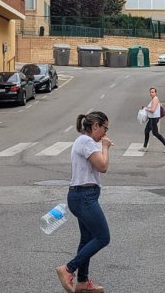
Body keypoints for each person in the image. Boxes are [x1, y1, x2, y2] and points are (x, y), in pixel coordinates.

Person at [56, 111, 114, 293]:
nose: (105, 133)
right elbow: (103, 166)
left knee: (87, 239)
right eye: (105, 128)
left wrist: (101, 145)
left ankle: (82, 282)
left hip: (83, 195)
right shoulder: (86, 141)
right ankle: (68, 269)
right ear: (95, 125)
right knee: (103, 237)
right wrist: (105, 147)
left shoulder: (84, 141)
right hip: (84, 196)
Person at [142, 87, 165, 152]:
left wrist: (146, 109)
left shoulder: (155, 99)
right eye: (150, 92)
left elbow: (153, 110)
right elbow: (153, 107)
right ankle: (145, 147)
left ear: (156, 93)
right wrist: (146, 107)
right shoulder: (153, 99)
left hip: (154, 118)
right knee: (146, 131)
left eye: (153, 92)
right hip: (152, 118)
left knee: (155, 133)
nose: (151, 93)